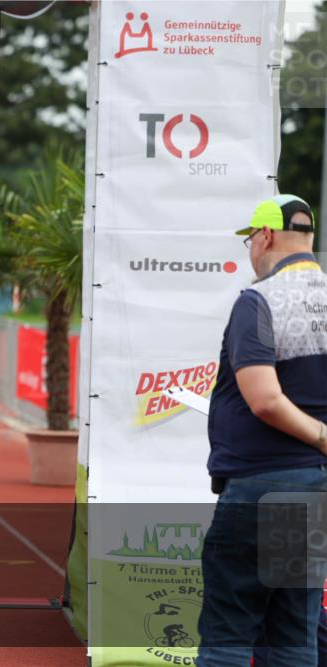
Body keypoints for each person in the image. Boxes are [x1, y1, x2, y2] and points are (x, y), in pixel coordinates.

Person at [197, 194, 327, 667]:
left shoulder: (260, 300)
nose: (251, 249)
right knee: (294, 635)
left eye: (250, 238)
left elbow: (265, 400)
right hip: (312, 487)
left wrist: (320, 436)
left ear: (267, 236)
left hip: (263, 485)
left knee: (228, 633)